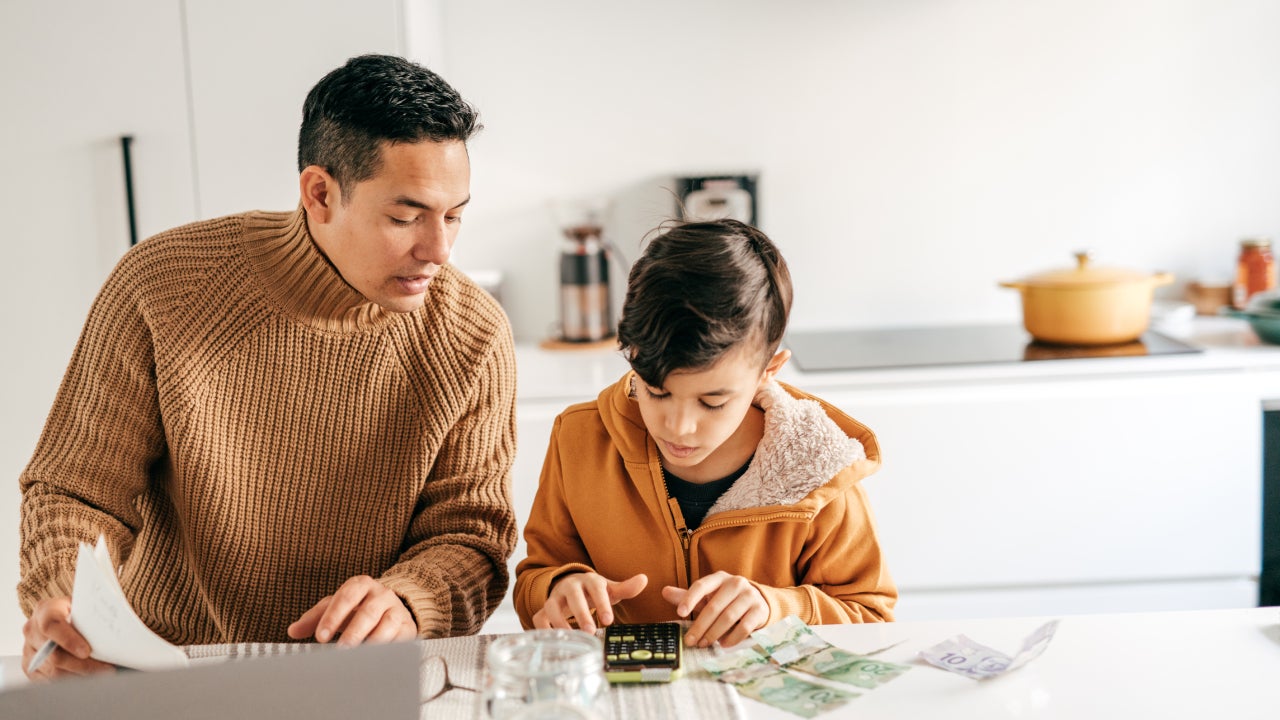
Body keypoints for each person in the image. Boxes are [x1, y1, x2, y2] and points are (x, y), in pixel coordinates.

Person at [18, 54, 517, 679]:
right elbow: (75, 492)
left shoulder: (473, 333)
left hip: (363, 676)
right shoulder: (163, 285)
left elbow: (471, 535)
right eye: (405, 216)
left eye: (454, 214)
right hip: (165, 669)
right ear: (320, 193)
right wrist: (66, 609)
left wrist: (408, 603)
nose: (439, 249)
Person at [514, 219, 896, 649]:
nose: (677, 427)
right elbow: (535, 580)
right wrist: (558, 587)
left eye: (712, 402)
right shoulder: (578, 438)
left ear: (767, 372)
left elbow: (871, 615)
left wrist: (776, 608)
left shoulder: (821, 468)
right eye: (655, 391)